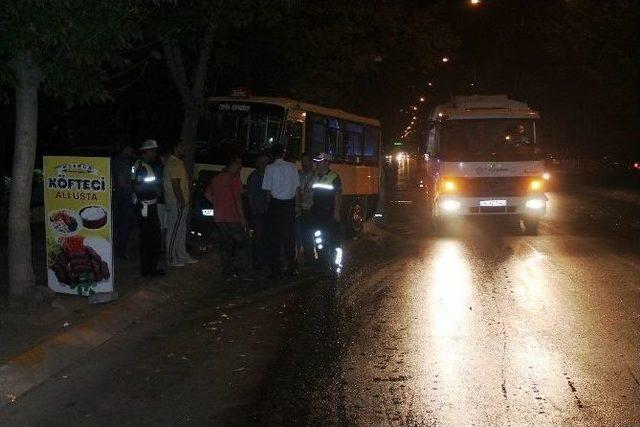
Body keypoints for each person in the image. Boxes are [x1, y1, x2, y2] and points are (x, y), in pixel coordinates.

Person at [204, 153, 250, 280]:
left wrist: (218, 203)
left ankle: (227, 273)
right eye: (239, 163)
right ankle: (242, 272)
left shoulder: (217, 178)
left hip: (220, 217)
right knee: (242, 244)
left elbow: (207, 194)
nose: (240, 166)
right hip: (233, 217)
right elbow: (238, 201)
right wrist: (243, 218)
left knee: (225, 246)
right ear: (233, 164)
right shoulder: (234, 179)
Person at [262, 144, 300, 278]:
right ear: (283, 154)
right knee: (289, 238)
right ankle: (292, 268)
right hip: (289, 205)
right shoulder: (292, 167)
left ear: (272, 155)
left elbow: (267, 191)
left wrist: (267, 206)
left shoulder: (269, 168)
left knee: (275, 239)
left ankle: (276, 270)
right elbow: (297, 189)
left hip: (275, 205)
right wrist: (296, 206)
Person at [131, 140, 164, 276]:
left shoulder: (141, 165)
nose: (155, 154)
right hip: (146, 207)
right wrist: (154, 190)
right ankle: (149, 269)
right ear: (148, 151)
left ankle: (149, 268)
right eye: (154, 151)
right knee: (151, 238)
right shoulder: (141, 166)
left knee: (149, 237)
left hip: (146, 205)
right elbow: (138, 187)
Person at [164, 143, 197, 267]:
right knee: (173, 231)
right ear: (175, 148)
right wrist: (181, 201)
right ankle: (171, 258)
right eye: (182, 147)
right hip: (176, 202)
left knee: (181, 230)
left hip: (179, 202)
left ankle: (182, 255)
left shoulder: (177, 162)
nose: (184, 149)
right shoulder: (174, 163)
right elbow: (176, 184)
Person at [310, 152, 342, 268]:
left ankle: (336, 262)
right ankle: (322, 259)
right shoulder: (317, 176)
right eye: (316, 161)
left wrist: (336, 212)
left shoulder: (334, 177)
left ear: (327, 163)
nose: (317, 163)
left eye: (320, 161)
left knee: (333, 238)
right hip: (317, 212)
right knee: (318, 236)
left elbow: (338, 195)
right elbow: (311, 191)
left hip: (329, 213)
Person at [112, 143, 136, 259]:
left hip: (120, 196)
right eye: (131, 148)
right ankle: (120, 252)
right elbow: (121, 183)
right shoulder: (122, 161)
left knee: (122, 225)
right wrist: (133, 184)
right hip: (124, 197)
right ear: (125, 148)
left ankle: (119, 250)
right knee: (124, 225)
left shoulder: (118, 160)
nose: (132, 151)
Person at [246, 151, 269, 270]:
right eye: (262, 162)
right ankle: (258, 261)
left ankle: (264, 259)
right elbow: (250, 196)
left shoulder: (269, 175)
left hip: (267, 212)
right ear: (257, 163)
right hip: (258, 212)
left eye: (266, 162)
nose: (264, 165)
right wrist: (254, 211)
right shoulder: (253, 177)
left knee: (265, 236)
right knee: (258, 237)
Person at [297, 152, 317, 264]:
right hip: (301, 209)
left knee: (312, 233)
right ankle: (307, 255)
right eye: (302, 161)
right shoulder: (298, 174)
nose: (304, 163)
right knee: (304, 233)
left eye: (306, 161)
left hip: (312, 209)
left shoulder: (316, 175)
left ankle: (314, 256)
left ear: (311, 162)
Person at [154, 149, 169, 271]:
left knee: (165, 226)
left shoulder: (166, 169)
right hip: (160, 202)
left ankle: (163, 247)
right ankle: (159, 248)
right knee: (160, 226)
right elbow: (157, 186)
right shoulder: (159, 169)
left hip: (165, 202)